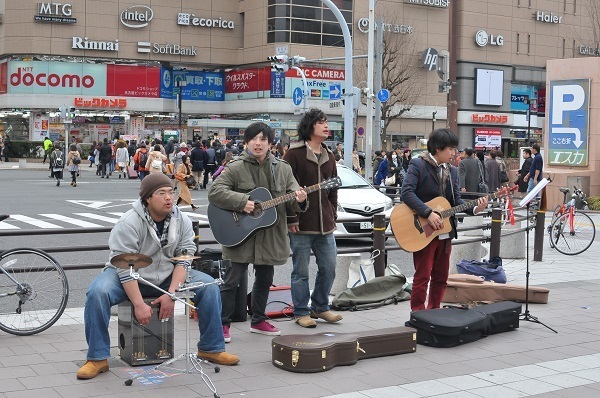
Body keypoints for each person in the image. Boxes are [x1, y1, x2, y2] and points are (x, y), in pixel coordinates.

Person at [76, 173, 239, 380]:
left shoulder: (182, 220)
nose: (169, 197)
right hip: (128, 274)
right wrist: (138, 304)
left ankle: (211, 347)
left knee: (209, 287)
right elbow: (125, 267)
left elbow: (185, 258)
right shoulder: (129, 222)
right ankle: (97, 357)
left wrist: (171, 294)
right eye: (161, 193)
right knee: (97, 292)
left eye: (171, 192)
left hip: (166, 275)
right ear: (147, 199)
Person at [208, 122, 307, 342]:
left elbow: (292, 197)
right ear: (246, 143)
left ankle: (259, 320)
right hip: (239, 233)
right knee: (231, 280)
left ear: (271, 143)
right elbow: (215, 192)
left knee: (264, 278)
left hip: (269, 235)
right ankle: (222, 324)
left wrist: (300, 199)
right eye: (253, 139)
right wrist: (243, 202)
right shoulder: (235, 167)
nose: (258, 143)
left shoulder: (282, 168)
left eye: (263, 139)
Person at [401, 129, 488, 311]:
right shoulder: (418, 165)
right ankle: (418, 313)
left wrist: (475, 208)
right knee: (422, 275)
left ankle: (434, 311)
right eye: (450, 149)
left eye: (455, 149)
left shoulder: (453, 171)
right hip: (423, 230)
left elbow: (456, 200)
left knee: (441, 276)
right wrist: (427, 213)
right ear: (438, 148)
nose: (454, 153)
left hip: (445, 230)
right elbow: (407, 192)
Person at [283, 108, 342, 328]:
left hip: (325, 223)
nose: (326, 126)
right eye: (321, 122)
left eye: (327, 122)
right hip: (301, 224)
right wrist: (291, 218)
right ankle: (300, 311)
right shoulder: (294, 154)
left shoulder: (329, 154)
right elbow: (286, 189)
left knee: (329, 267)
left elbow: (334, 188)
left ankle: (320, 306)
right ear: (310, 127)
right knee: (301, 271)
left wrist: (333, 213)